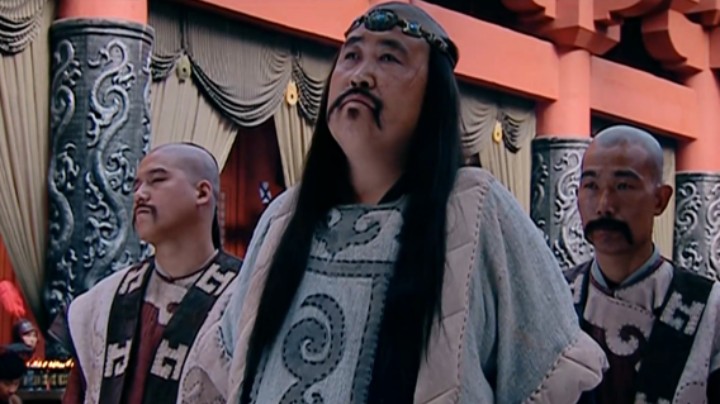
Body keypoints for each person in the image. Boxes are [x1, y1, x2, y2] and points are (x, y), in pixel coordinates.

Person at [208, 3, 608, 403]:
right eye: (351, 55)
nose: (360, 75)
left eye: (389, 58)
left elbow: (553, 376)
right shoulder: (285, 215)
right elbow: (219, 372)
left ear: (435, 95)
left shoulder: (474, 209)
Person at [60, 143, 243, 404]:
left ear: (202, 193)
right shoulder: (101, 302)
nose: (140, 194)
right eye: (136, 186)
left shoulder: (246, 295)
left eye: (157, 180)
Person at [568, 125, 720, 403]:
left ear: (660, 200)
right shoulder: (554, 296)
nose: (604, 205)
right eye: (591, 186)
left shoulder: (709, 306)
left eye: (623, 186)